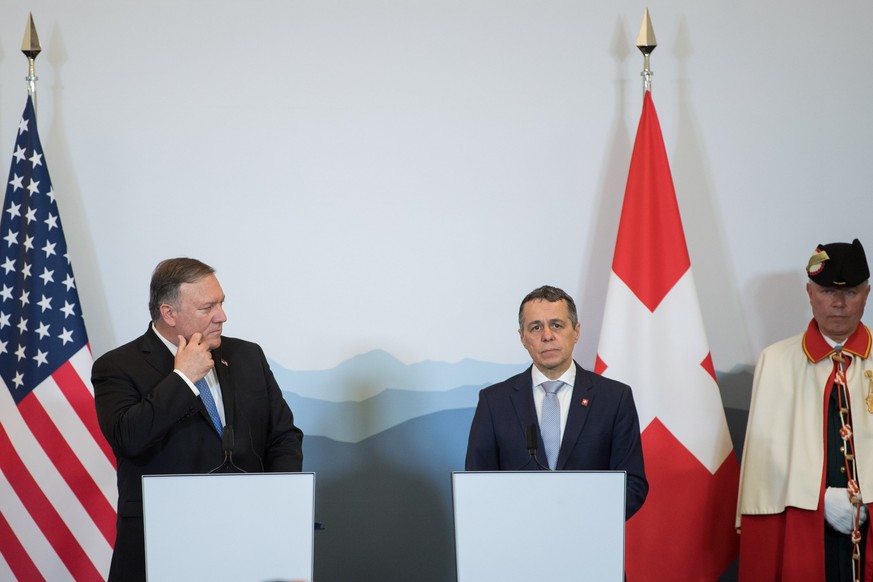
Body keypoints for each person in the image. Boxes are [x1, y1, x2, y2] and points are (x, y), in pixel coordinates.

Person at [93, 258, 304, 582]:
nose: (222, 316)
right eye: (208, 307)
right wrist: (183, 378)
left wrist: (278, 501)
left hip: (247, 542)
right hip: (163, 547)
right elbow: (128, 436)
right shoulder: (118, 366)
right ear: (169, 313)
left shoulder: (247, 356)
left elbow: (283, 436)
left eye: (221, 303)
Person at [737, 239, 873, 582]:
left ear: (867, 294)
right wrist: (819, 497)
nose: (839, 303)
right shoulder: (776, 361)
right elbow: (765, 462)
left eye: (852, 292)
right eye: (828, 291)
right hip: (804, 523)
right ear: (809, 292)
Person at [464, 285, 648, 519]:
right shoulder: (494, 402)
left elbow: (632, 483)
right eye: (536, 327)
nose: (547, 335)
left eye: (557, 325)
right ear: (522, 337)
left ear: (576, 331)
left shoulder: (614, 398)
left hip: (590, 539)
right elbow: (478, 483)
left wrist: (581, 518)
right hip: (517, 541)